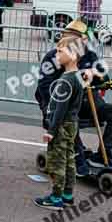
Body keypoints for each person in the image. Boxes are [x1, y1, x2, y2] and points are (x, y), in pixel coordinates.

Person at [35, 20, 112, 175]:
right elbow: (45, 88)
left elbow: (103, 77)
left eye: (81, 38)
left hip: (88, 102)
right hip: (61, 106)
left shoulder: (90, 55)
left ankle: (104, 153)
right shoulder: (54, 57)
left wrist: (108, 81)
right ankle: (77, 156)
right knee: (70, 117)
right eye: (72, 36)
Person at [34, 36, 85, 211]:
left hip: (61, 126)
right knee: (69, 159)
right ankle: (68, 195)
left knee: (57, 161)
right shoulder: (78, 76)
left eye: (60, 51)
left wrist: (51, 130)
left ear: (72, 54)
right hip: (72, 124)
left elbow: (60, 109)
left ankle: (55, 198)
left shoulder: (66, 81)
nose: (56, 54)